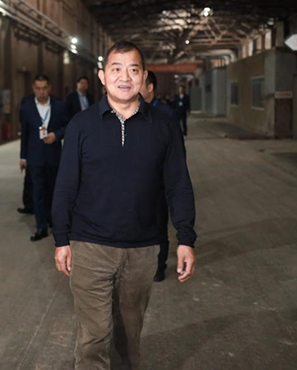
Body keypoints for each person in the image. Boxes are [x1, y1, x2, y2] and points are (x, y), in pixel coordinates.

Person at [52, 41, 197, 369]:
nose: (124, 77)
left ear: (144, 76)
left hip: (142, 249)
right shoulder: (81, 125)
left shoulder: (164, 126)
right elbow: (65, 187)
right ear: (102, 76)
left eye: (133, 70)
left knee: (129, 337)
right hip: (89, 245)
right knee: (94, 336)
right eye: (116, 69)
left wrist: (185, 238)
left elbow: (178, 185)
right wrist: (61, 238)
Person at [139, 71, 180, 283]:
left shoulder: (165, 114)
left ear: (150, 87)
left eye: (139, 85)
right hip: (138, 181)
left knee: (159, 226)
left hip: (159, 182)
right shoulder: (133, 111)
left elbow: (177, 151)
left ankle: (159, 266)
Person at [20, 75, 67, 242]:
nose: (41, 92)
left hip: (54, 156)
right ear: (34, 89)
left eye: (44, 88)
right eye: (38, 88)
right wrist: (23, 157)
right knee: (38, 192)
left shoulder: (59, 106)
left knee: (54, 191)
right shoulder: (27, 108)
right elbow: (25, 134)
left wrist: (56, 135)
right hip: (35, 157)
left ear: (50, 88)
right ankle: (41, 227)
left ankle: (54, 221)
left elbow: (68, 126)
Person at [17, 93, 34, 216]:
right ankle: (29, 204)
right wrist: (23, 157)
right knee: (29, 179)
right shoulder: (27, 103)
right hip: (31, 151)